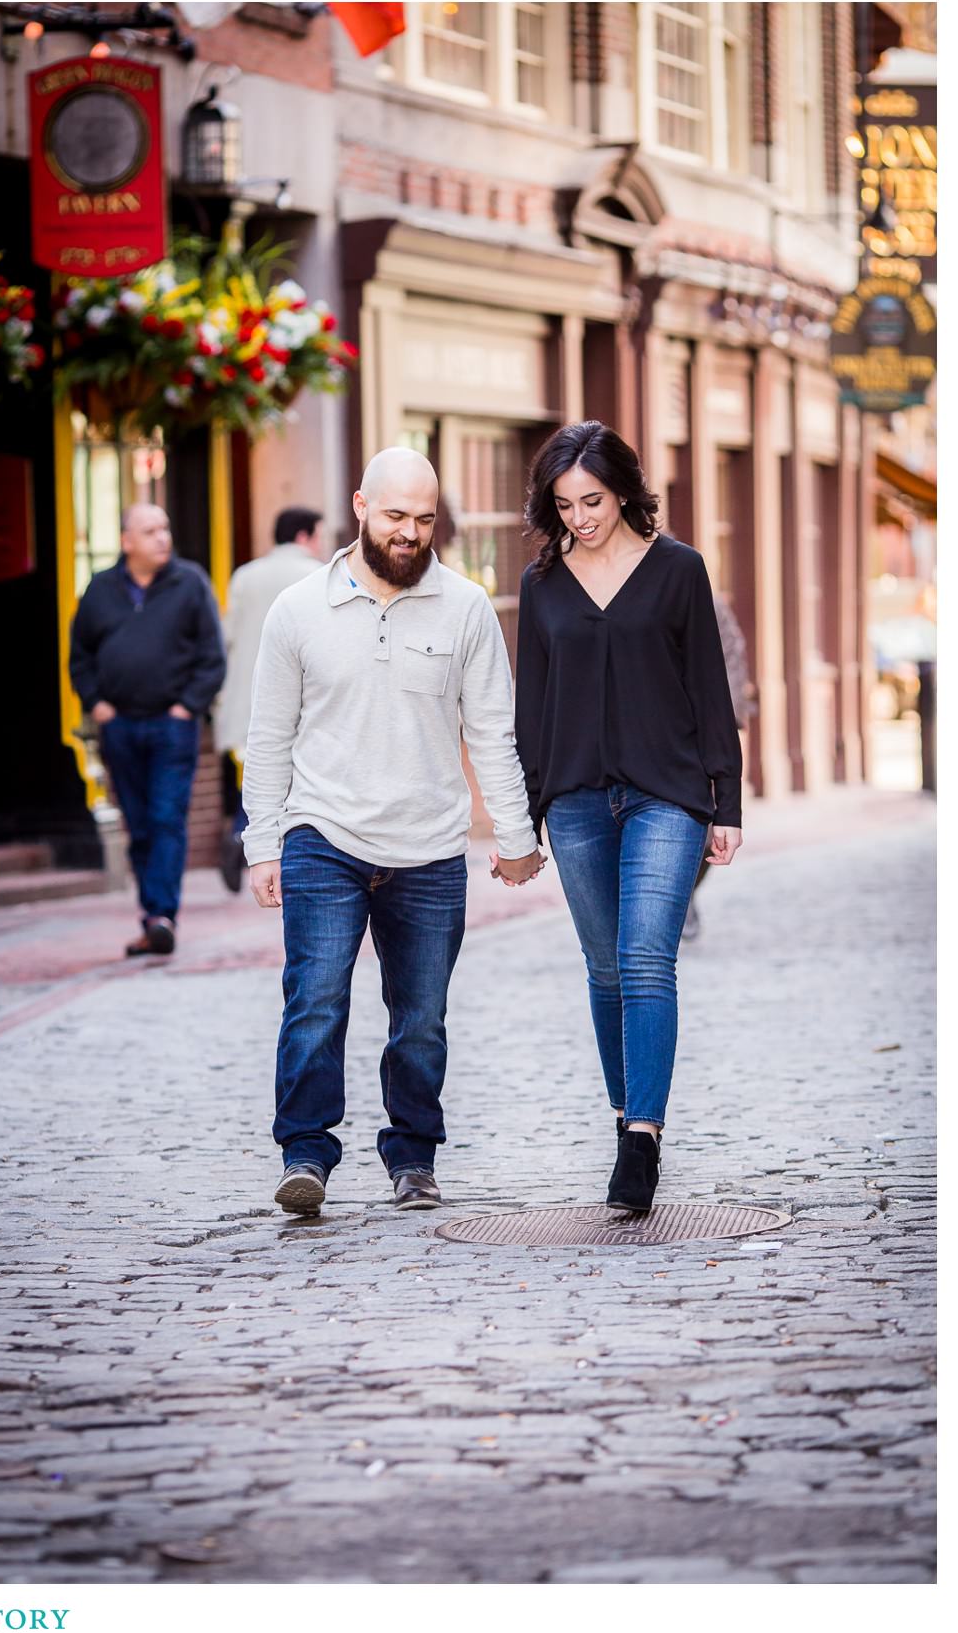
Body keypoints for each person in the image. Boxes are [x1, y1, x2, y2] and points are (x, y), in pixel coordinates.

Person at [242, 446, 544, 1215]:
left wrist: (514, 838)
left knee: (421, 1019)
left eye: (423, 519)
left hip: (430, 847)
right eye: (396, 516)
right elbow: (269, 736)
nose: (409, 533)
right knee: (314, 999)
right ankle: (304, 1154)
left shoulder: (467, 608)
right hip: (323, 834)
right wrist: (262, 845)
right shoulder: (297, 611)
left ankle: (413, 1157)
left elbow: (492, 734)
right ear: (360, 507)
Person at [515, 421, 742, 1214]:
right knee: (605, 968)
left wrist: (725, 801)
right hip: (575, 800)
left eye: (593, 500)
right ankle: (624, 1118)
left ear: (623, 493)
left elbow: (710, 693)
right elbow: (530, 708)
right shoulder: (541, 584)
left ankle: (641, 1139)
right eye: (565, 503)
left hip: (666, 795)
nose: (580, 516)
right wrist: (524, 813)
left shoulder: (677, 570)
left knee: (646, 958)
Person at [69, 503, 226, 957]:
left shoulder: (190, 583)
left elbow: (211, 657)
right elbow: (80, 655)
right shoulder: (100, 589)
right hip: (119, 725)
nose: (162, 537)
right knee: (138, 825)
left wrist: (187, 707)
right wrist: (97, 704)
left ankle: (163, 915)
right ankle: (153, 915)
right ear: (126, 541)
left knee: (165, 817)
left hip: (172, 725)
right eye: (150, 530)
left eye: (165, 527)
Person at [212, 507, 327, 893]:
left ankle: (239, 833)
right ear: (304, 536)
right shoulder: (316, 575)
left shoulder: (244, 576)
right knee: (291, 777)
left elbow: (228, 635)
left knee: (256, 770)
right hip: (296, 696)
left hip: (245, 694)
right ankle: (249, 836)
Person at [681, 590, 755, 940]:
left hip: (698, 738)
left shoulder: (698, 593)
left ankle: (683, 896)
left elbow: (732, 657)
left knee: (703, 832)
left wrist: (727, 717)